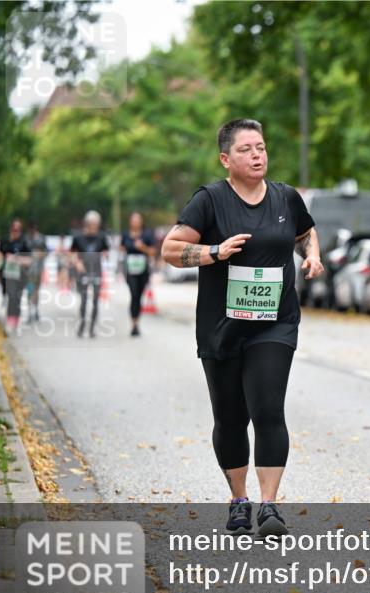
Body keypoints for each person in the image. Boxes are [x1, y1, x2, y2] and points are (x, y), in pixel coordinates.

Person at [161, 118, 323, 538]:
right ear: (225, 158)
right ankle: (239, 499)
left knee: (268, 408)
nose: (257, 155)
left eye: (262, 148)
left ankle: (269, 506)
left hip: (275, 323)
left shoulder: (286, 197)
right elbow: (170, 249)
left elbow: (306, 232)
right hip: (222, 327)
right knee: (230, 417)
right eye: (247, 149)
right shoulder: (210, 200)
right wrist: (215, 250)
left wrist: (313, 255)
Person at [70, 210, 109, 338]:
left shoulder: (102, 237)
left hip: (96, 271)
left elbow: (106, 252)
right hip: (83, 271)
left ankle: (92, 327)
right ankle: (82, 325)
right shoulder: (78, 237)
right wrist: (77, 262)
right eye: (91, 224)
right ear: (86, 223)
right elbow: (72, 253)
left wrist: (105, 255)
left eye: (96, 224)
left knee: (95, 301)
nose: (94, 226)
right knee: (84, 299)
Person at [120, 212, 157, 336]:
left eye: (137, 220)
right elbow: (121, 248)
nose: (135, 222)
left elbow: (153, 252)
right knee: (134, 294)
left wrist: (143, 248)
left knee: (139, 296)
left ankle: (137, 323)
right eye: (133, 220)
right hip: (130, 270)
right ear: (130, 222)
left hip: (143, 270)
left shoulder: (147, 235)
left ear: (141, 222)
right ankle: (133, 324)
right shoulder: (125, 234)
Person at [0, 219, 32, 335]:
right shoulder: (5, 241)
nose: (16, 232)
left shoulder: (24, 242)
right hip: (8, 275)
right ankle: (10, 322)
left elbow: (29, 260)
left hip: (20, 275)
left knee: (17, 298)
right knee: (11, 297)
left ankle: (16, 321)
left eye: (18, 230)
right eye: (14, 229)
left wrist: (17, 259)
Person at [24, 224, 48, 323]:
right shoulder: (26, 239)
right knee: (30, 290)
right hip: (28, 270)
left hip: (38, 269)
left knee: (37, 290)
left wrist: (40, 254)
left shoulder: (41, 238)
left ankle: (36, 310)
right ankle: (30, 311)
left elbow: (46, 252)